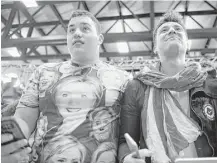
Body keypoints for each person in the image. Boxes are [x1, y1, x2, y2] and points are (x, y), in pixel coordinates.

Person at [1, 10, 130, 163]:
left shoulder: (122, 78)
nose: (77, 33)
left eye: (85, 28)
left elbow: (127, 131)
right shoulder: (44, 73)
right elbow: (23, 119)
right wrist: (9, 142)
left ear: (99, 39)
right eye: (71, 30)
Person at [118, 10, 217, 163]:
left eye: (178, 29)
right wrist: (126, 158)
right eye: (164, 30)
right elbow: (125, 139)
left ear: (188, 44)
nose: (172, 30)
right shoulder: (136, 86)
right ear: (155, 48)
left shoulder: (209, 83)